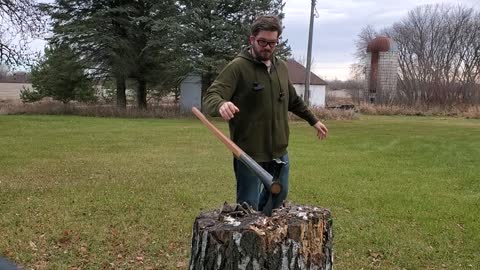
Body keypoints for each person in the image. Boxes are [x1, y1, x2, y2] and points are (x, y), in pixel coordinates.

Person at [203, 15, 328, 211]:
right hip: (249, 153)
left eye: (272, 42)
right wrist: (221, 104)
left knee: (278, 195)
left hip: (279, 152)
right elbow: (212, 95)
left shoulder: (282, 68)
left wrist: (314, 120)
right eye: (262, 42)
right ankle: (250, 235)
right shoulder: (238, 67)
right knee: (247, 206)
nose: (267, 47)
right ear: (252, 39)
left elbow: (293, 100)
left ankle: (264, 229)